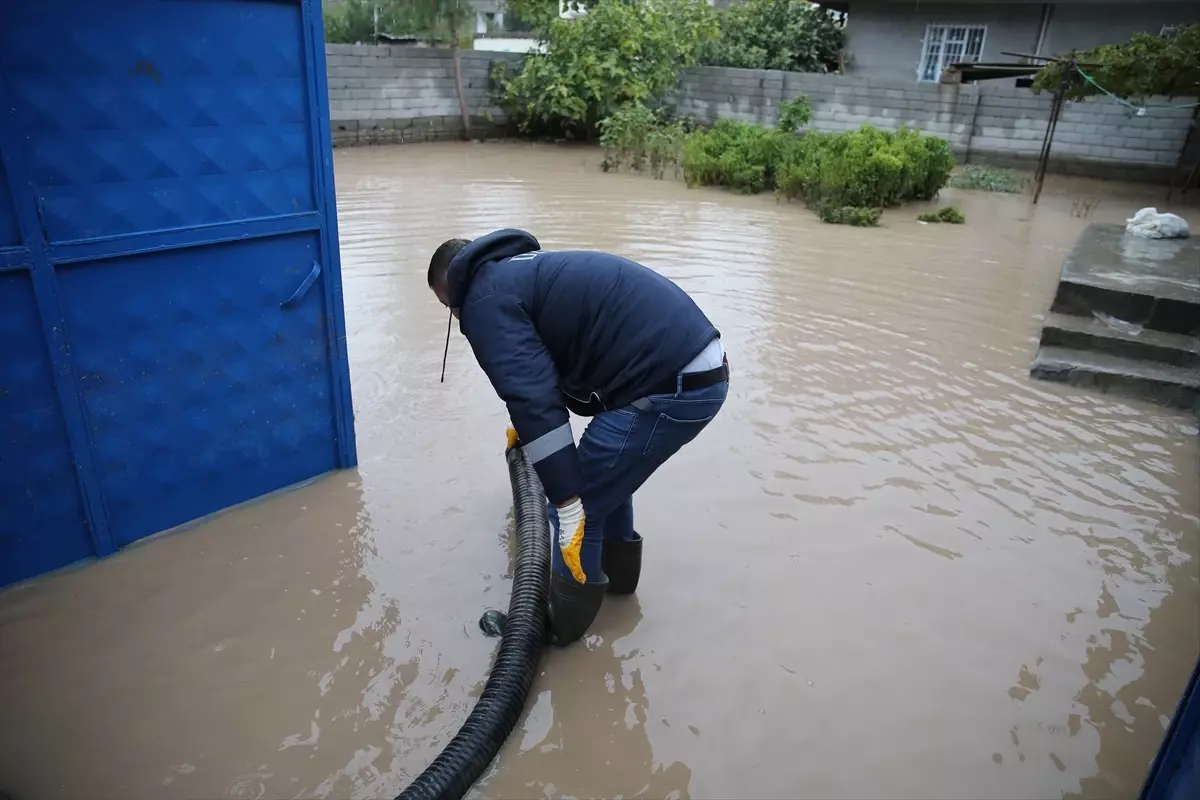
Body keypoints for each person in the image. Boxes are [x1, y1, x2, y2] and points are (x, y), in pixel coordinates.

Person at [427, 229, 729, 646]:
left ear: (452, 289)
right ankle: (620, 589)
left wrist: (567, 505)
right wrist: (529, 427)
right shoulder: (514, 274)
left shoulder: (482, 302)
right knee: (608, 481)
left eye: (449, 308)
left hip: (669, 382)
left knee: (581, 504)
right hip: (694, 366)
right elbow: (545, 366)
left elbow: (532, 398)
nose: (457, 318)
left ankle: (559, 630)